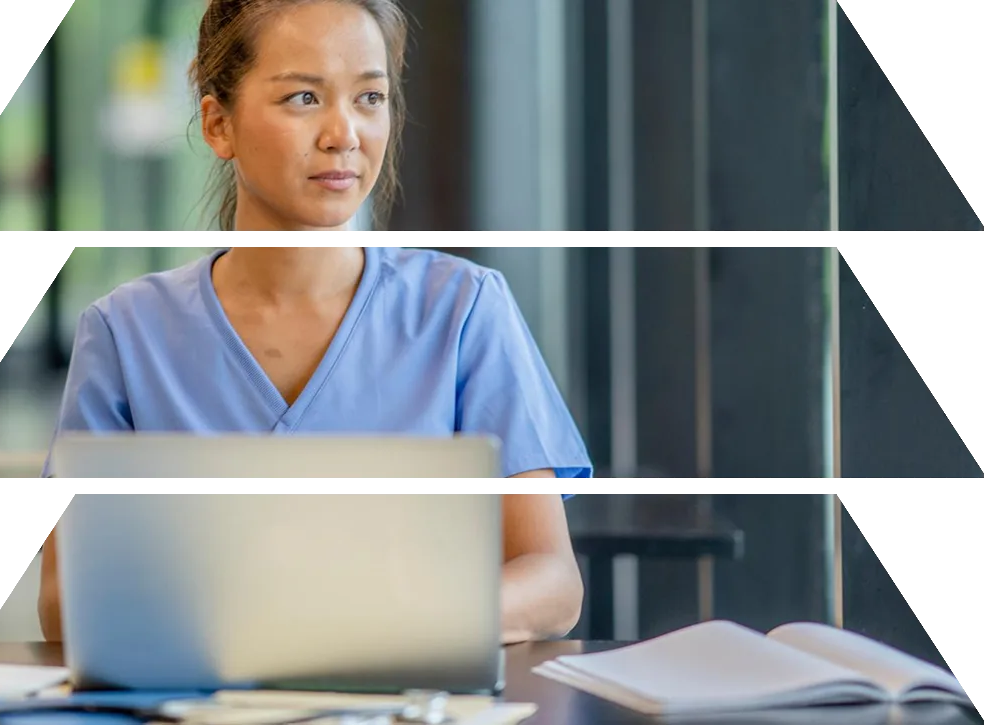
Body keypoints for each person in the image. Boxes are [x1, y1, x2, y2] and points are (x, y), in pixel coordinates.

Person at [37, 0, 591, 646]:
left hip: (409, 690)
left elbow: (553, 583)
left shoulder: (463, 311)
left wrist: (380, 625)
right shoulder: (125, 334)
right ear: (218, 125)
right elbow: (66, 600)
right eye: (303, 98)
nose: (343, 133)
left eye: (370, 98)